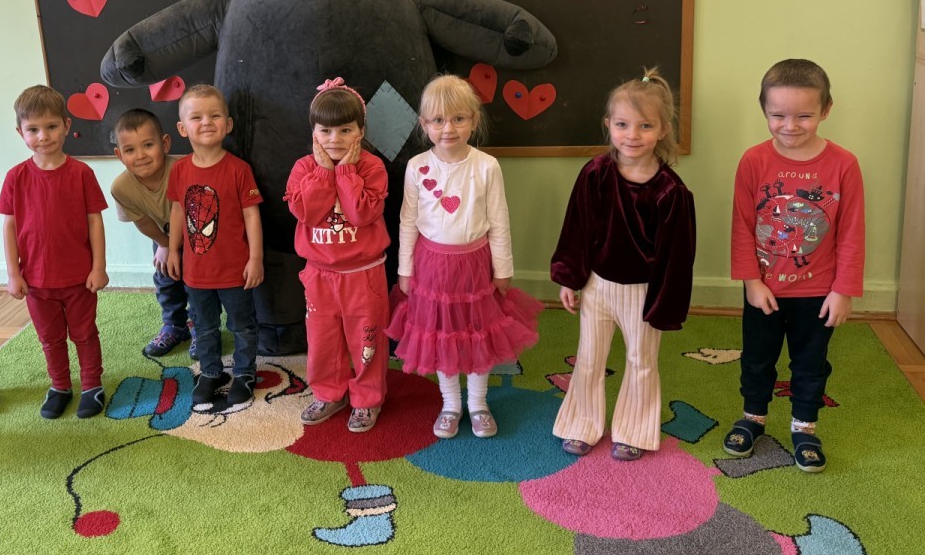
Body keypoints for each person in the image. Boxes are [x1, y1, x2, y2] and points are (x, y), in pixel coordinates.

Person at [725, 59, 864, 473]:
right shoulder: (753, 161)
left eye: (804, 115)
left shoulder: (844, 164)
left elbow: (852, 231)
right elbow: (742, 226)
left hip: (819, 292)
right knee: (757, 358)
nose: (790, 126)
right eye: (778, 115)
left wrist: (843, 290)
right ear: (764, 110)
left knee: (810, 363)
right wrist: (751, 282)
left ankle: (805, 427)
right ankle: (753, 418)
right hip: (764, 290)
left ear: (826, 110)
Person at [551, 69, 696, 461]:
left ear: (662, 130)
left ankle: (633, 431)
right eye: (622, 124)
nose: (632, 135)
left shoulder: (671, 191)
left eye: (645, 126)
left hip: (642, 292)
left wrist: (664, 305)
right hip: (598, 286)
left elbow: (677, 256)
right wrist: (569, 277)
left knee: (641, 361)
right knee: (589, 358)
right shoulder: (595, 174)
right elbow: (577, 227)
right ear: (608, 125)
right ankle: (581, 424)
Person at [388, 74, 541, 439]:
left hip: (475, 267)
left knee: (476, 335)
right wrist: (405, 269)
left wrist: (503, 269)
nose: (448, 128)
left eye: (458, 119)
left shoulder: (486, 166)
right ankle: (451, 404)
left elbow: (499, 222)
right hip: (432, 269)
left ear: (473, 120)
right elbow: (407, 221)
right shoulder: (417, 167)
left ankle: (478, 403)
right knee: (443, 334)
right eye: (438, 120)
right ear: (424, 124)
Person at [0, 85, 109, 420]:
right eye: (33, 129)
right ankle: (60, 386)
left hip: (79, 278)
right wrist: (13, 273)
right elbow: (9, 227)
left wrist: (99, 267)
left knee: (85, 334)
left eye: (51, 126)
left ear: (66, 125)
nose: (43, 136)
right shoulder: (16, 177)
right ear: (20, 132)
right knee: (50, 338)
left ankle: (92, 385)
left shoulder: (82, 173)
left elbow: (95, 222)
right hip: (36, 281)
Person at [285, 77, 390, 433]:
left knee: (367, 340)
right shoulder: (303, 168)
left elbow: (361, 214)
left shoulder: (372, 167)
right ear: (314, 132)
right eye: (325, 131)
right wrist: (323, 172)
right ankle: (329, 393)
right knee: (323, 341)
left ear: (361, 131)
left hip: (364, 275)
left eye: (345, 130)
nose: (335, 139)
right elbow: (307, 213)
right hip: (319, 275)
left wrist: (344, 171)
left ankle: (367, 398)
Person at [167, 84, 263, 412]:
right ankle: (211, 372)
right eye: (196, 117)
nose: (206, 122)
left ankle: (245, 373)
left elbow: (252, 215)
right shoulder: (179, 170)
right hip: (196, 273)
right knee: (204, 326)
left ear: (228, 124)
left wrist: (255, 258)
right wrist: (173, 250)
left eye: (215, 115)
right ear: (182, 128)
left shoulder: (239, 169)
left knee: (242, 326)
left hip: (235, 270)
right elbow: (177, 211)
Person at [110, 109, 196, 359]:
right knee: (165, 277)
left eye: (148, 145)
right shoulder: (121, 187)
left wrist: (180, 247)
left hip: (196, 238)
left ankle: (202, 327)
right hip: (163, 237)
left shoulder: (184, 169)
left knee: (196, 284)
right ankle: (175, 325)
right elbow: (143, 222)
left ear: (165, 143)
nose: (140, 156)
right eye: (130, 150)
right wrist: (165, 245)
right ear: (119, 155)